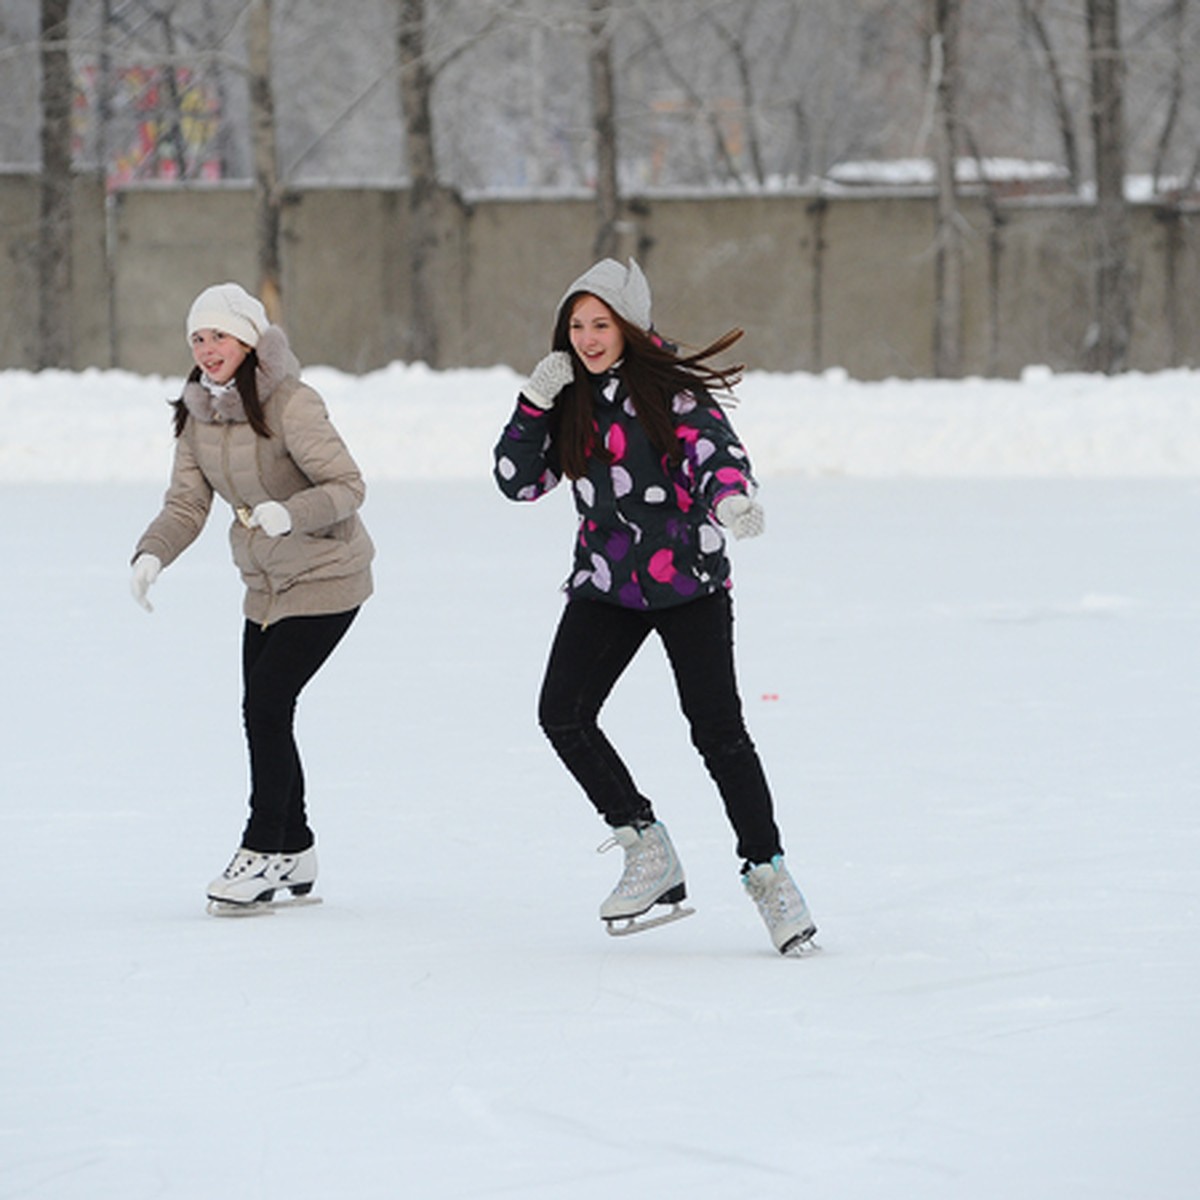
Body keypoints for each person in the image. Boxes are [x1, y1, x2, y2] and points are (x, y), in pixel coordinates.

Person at [492, 257, 816, 955]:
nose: (586, 337)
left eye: (600, 323)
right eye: (576, 325)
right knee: (562, 713)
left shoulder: (670, 392)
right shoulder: (569, 398)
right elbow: (517, 482)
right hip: (607, 582)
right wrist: (533, 404)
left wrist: (729, 498)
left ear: (629, 326)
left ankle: (769, 874)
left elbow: (713, 453)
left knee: (717, 732)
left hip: (688, 582)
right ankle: (647, 847)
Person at [130, 282, 374, 913]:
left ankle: (262, 847)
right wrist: (153, 551)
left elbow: (348, 485)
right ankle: (295, 845)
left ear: (250, 339)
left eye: (220, 335)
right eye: (198, 338)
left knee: (267, 703)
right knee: (264, 711)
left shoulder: (293, 402)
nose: (208, 349)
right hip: (264, 587)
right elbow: (187, 502)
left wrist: (289, 514)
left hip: (327, 574)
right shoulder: (198, 413)